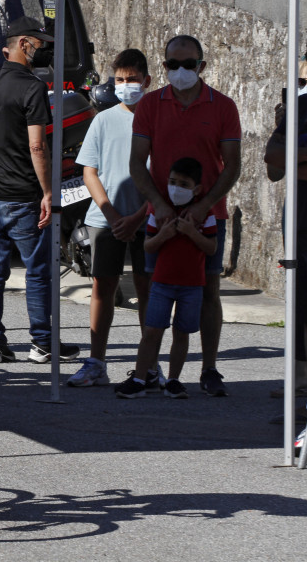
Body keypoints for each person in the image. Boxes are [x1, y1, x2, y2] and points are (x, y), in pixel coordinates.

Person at [129, 34, 241, 397]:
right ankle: (147, 370)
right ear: (163, 67)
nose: (179, 71)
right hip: (160, 217)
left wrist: (204, 205)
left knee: (208, 289)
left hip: (209, 214)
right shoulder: (149, 105)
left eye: (187, 64)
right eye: (171, 65)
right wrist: (158, 206)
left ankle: (208, 368)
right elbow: (137, 163)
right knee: (152, 286)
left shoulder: (223, 107)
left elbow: (232, 166)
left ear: (201, 66)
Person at [0, 16, 80, 364]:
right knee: (38, 271)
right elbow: (38, 146)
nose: (42, 48)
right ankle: (41, 342)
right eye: (38, 42)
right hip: (22, 196)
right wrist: (49, 192)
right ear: (24, 44)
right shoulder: (33, 87)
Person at [67, 49, 152, 388]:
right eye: (119, 80)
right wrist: (113, 214)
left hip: (148, 219)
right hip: (104, 220)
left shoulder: (156, 118)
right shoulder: (102, 120)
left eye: (132, 79)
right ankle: (96, 362)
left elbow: (162, 173)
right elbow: (89, 171)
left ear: (146, 81)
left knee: (148, 290)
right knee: (103, 287)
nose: (125, 85)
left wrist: (138, 215)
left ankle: (149, 365)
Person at [116, 158, 217, 399]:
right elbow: (148, 246)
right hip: (161, 284)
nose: (176, 187)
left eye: (184, 183)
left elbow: (211, 248)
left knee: (182, 333)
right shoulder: (159, 213)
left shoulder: (206, 215)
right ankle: (140, 378)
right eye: (172, 182)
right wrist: (164, 234)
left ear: (197, 189)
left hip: (192, 286)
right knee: (152, 331)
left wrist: (192, 233)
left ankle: (173, 379)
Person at [266, 30, 307, 415]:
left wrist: (299, 160)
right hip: (300, 218)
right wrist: (306, 157)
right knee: (301, 305)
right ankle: (302, 387)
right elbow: (272, 160)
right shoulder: (303, 107)